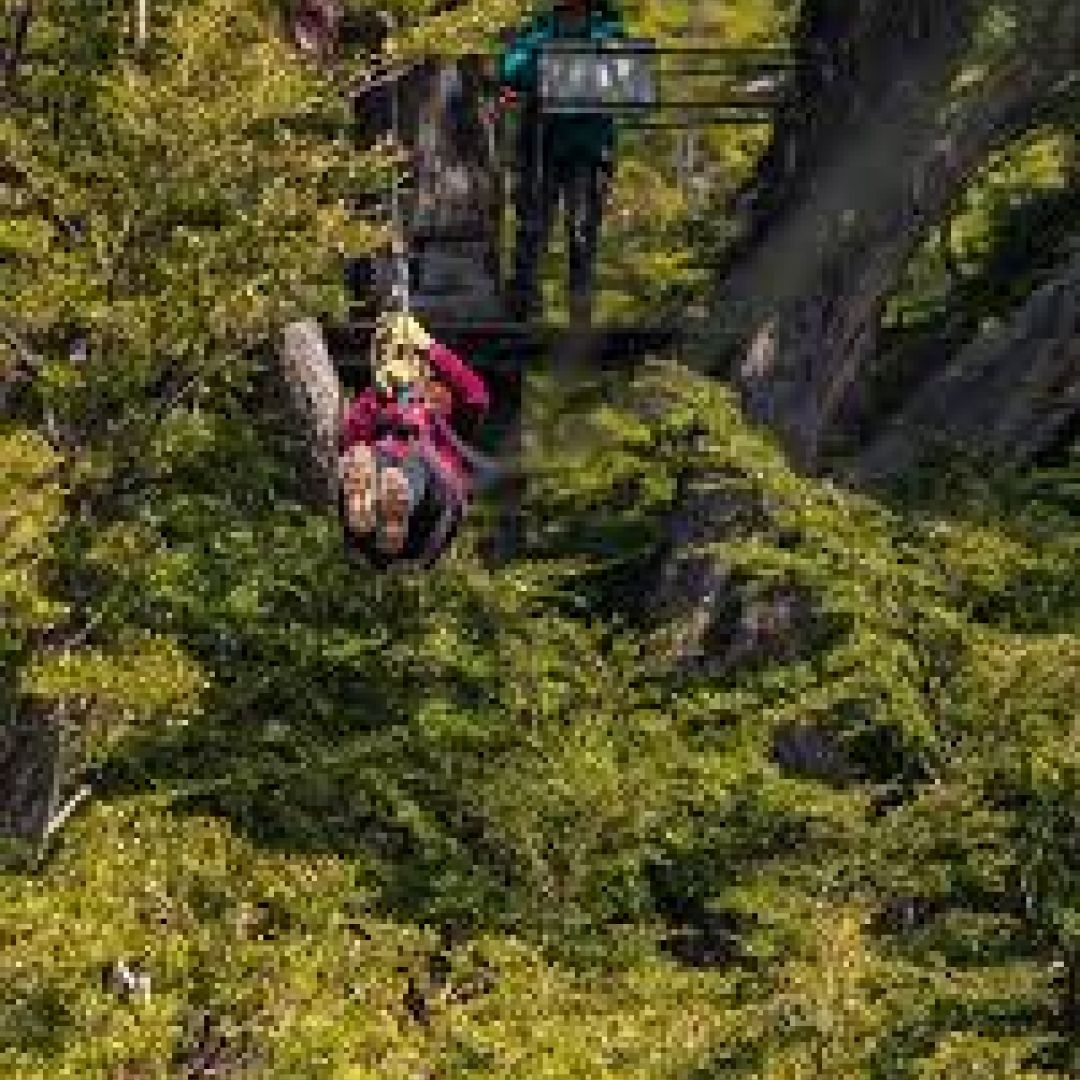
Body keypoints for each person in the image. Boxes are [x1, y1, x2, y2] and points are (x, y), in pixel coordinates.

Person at [493, 0, 625, 327]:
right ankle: (524, 310)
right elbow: (511, 70)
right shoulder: (537, 32)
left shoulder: (608, 32)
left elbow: (627, 72)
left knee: (581, 232)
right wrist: (546, 54)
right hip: (542, 146)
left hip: (589, 150)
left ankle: (579, 317)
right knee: (533, 229)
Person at [339, 310, 491, 569]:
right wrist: (376, 395)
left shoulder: (442, 397)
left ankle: (396, 504)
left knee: (413, 463)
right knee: (372, 454)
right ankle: (369, 508)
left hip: (430, 518)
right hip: (372, 535)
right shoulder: (378, 400)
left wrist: (431, 349)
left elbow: (476, 396)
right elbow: (353, 435)